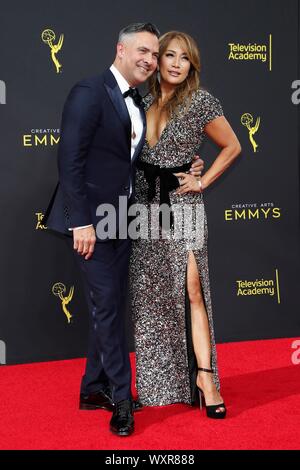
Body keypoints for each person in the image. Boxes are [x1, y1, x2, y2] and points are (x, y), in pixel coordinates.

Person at [43, 23, 204, 436]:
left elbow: (139, 161)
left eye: (156, 53)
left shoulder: (141, 101)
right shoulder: (88, 92)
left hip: (122, 221)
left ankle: (92, 388)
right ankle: (119, 397)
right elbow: (70, 162)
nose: (151, 60)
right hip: (90, 224)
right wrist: (81, 221)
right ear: (120, 50)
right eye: (144, 52)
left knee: (111, 306)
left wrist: (191, 168)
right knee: (109, 310)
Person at [130, 31, 241, 418]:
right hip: (145, 209)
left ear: (192, 65)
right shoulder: (140, 103)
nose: (177, 63)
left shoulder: (199, 102)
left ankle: (205, 378)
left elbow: (233, 146)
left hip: (184, 206)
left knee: (193, 287)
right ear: (157, 61)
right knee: (152, 297)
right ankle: (158, 382)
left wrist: (202, 178)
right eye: (170, 56)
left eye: (185, 58)